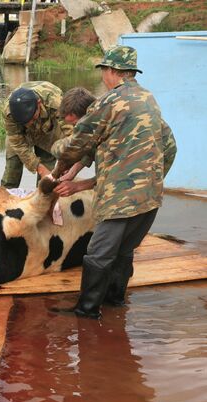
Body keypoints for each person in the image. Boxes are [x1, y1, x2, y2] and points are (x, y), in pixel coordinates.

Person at [49, 45, 177, 319]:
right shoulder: (148, 98)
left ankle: (87, 311)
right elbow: (170, 146)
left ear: (111, 71)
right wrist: (152, 180)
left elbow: (77, 143)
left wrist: (57, 149)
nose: (104, 77)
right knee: (123, 251)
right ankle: (115, 303)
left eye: (104, 71)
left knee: (98, 254)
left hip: (120, 200)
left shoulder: (110, 101)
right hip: (150, 199)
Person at [0, 81, 75, 188]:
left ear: (39, 103)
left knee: (47, 177)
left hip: (47, 131)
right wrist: (38, 168)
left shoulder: (56, 102)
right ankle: (5, 198)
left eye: (32, 118)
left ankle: (42, 199)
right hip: (22, 134)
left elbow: (70, 135)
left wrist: (67, 163)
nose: (29, 123)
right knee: (12, 168)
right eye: (25, 121)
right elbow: (17, 144)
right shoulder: (9, 112)